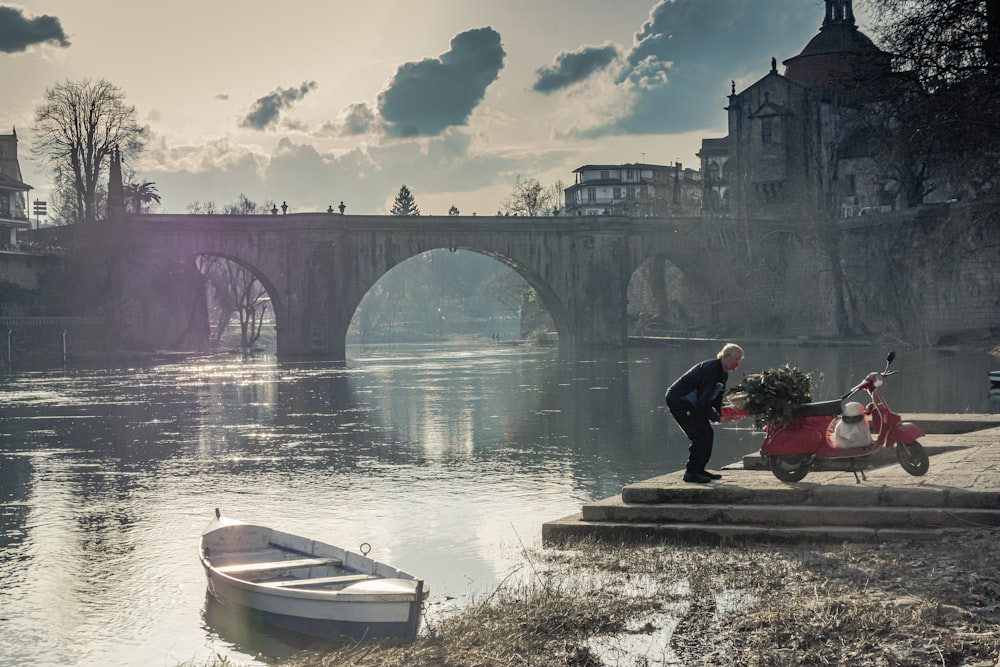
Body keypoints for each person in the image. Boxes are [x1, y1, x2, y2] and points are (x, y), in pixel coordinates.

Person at [665, 343, 744, 483]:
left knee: (707, 433)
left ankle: (699, 469)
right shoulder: (711, 369)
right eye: (736, 360)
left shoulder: (722, 374)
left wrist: (726, 414)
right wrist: (718, 418)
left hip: (694, 404)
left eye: (739, 361)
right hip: (680, 401)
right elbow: (704, 400)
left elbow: (716, 399)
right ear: (726, 356)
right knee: (699, 435)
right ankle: (691, 473)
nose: (737, 364)